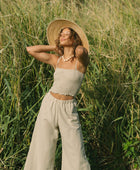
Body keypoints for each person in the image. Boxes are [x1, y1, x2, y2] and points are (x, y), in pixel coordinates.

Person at [24, 19, 91, 170]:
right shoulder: (57, 60)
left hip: (68, 108)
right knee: (43, 146)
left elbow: (81, 51)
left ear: (74, 39)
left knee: (75, 150)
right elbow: (30, 50)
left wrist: (77, 44)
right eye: (61, 34)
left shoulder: (80, 62)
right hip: (49, 104)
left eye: (66, 34)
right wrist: (54, 47)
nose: (62, 36)